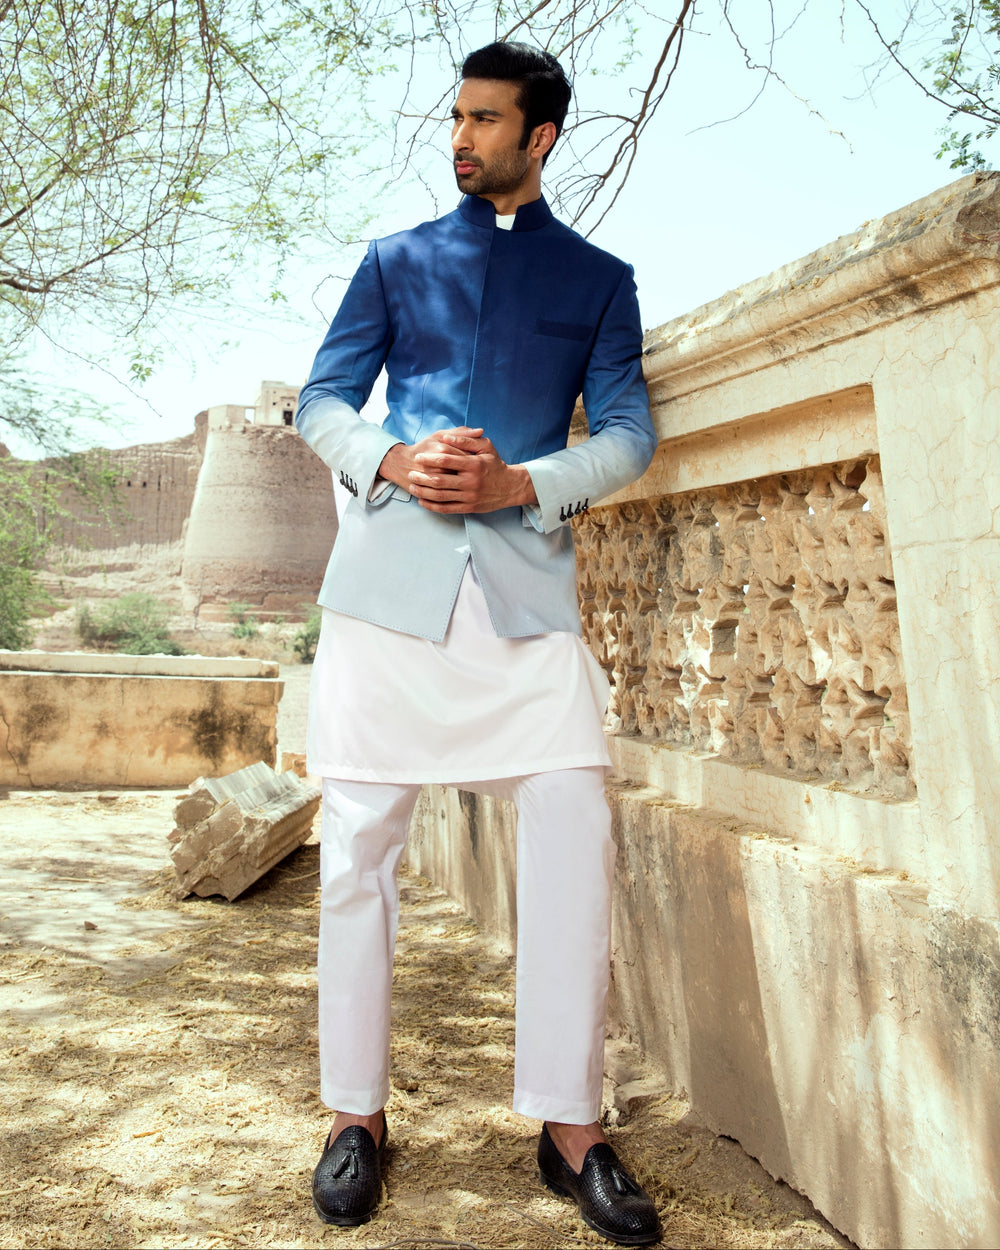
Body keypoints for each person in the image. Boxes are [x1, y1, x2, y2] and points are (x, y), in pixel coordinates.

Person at [295, 40, 661, 1247]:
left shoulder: (600, 279)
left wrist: (519, 481)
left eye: (484, 120)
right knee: (356, 851)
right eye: (455, 116)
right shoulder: (394, 260)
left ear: (539, 137)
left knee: (570, 815)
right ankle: (356, 1116)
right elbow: (324, 401)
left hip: (521, 601)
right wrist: (387, 458)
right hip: (384, 597)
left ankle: (569, 1127)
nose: (459, 137)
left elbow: (626, 434)